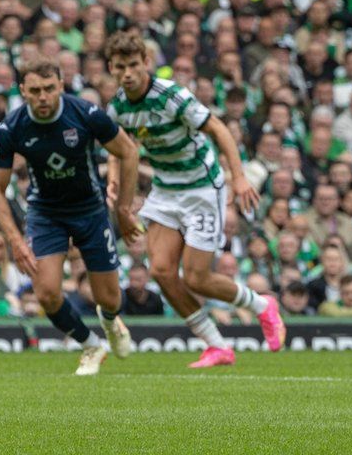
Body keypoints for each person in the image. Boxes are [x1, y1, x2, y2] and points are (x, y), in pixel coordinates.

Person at [104, 32, 284, 368]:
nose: (127, 73)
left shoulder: (171, 96)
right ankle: (217, 346)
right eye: (119, 67)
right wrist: (114, 178)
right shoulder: (117, 106)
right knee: (160, 270)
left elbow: (217, 128)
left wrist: (240, 176)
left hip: (202, 186)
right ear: (111, 69)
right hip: (166, 189)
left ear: (146, 63)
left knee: (197, 278)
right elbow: (119, 146)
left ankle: (263, 307)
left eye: (132, 65)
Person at [0, 59, 141, 375]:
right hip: (46, 213)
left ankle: (110, 321)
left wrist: (123, 209)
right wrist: (15, 240)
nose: (43, 97)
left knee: (110, 299)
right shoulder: (11, 127)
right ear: (23, 91)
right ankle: (90, 345)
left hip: (91, 210)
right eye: (35, 90)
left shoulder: (85, 113)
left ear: (60, 86)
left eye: (49, 89)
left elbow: (128, 151)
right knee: (46, 292)